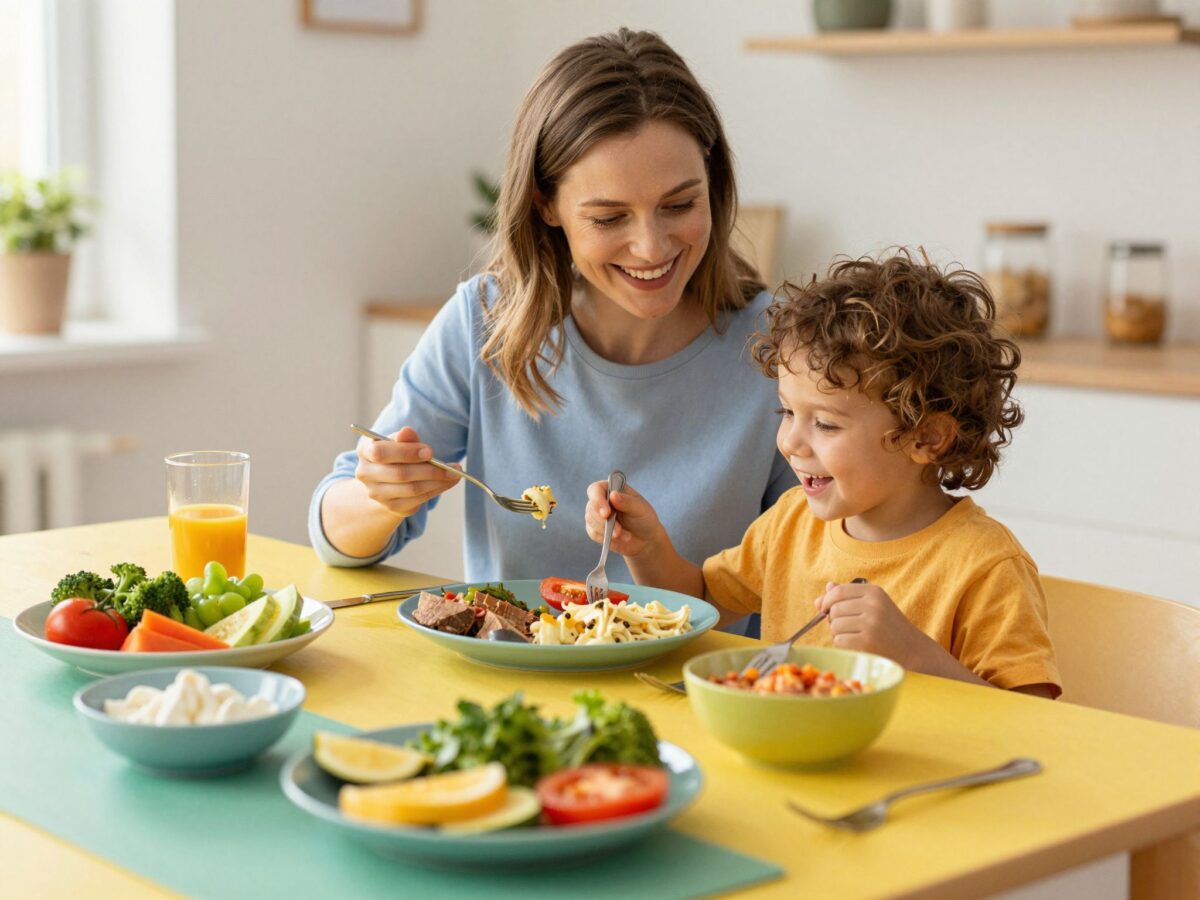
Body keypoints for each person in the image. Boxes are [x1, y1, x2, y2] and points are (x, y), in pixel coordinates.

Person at [309, 28, 796, 584]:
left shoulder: (779, 349)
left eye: (679, 204)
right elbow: (335, 540)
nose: (652, 248)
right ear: (546, 205)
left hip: (705, 674)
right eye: (610, 218)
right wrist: (382, 498)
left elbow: (812, 565)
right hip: (509, 669)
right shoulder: (484, 323)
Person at [585, 250, 1062, 697]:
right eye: (787, 413)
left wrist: (915, 655)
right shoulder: (792, 522)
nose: (791, 443)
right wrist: (647, 547)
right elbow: (696, 603)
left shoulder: (986, 566)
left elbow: (1032, 722)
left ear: (927, 438)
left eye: (827, 423)